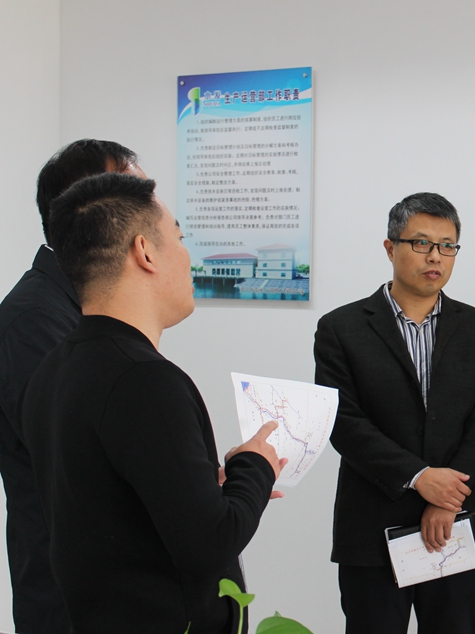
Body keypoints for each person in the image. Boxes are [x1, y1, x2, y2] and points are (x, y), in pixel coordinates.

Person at [18, 172, 285, 634]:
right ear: (145, 251)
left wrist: (198, 487)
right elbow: (210, 544)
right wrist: (256, 466)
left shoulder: (53, 370)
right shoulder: (145, 380)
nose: (187, 255)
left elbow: (113, 509)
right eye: (180, 239)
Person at [314, 192, 475, 634]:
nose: (435, 256)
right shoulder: (341, 328)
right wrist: (420, 478)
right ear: (390, 247)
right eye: (421, 243)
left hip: (453, 526)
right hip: (372, 526)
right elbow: (343, 422)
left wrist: (447, 498)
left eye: (447, 245)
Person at [0, 139, 145, 633]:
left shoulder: (86, 302)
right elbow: (74, 454)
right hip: (68, 592)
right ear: (82, 209)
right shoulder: (34, 318)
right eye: (133, 197)